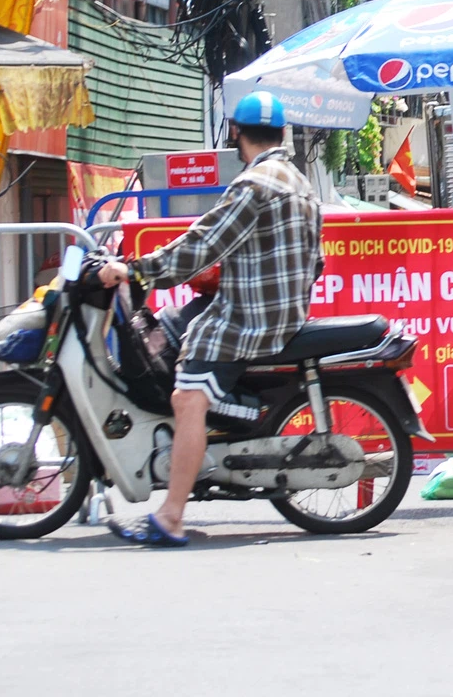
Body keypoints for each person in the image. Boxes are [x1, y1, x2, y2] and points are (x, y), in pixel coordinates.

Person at [95, 92, 324, 545]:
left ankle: (172, 515)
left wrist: (137, 268)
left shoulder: (254, 184)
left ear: (236, 132)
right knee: (167, 327)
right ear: (282, 133)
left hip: (251, 319)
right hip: (280, 310)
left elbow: (202, 244)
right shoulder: (298, 180)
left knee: (187, 399)